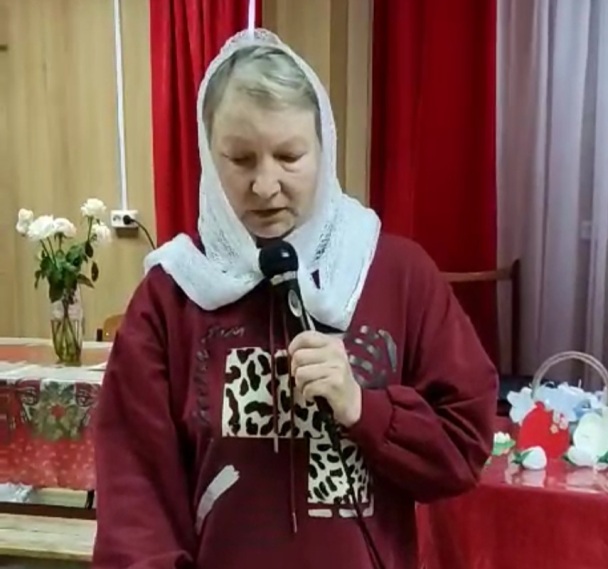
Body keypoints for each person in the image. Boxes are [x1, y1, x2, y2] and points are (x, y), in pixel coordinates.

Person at [92, 29, 497, 569]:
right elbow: (135, 497)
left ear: (324, 150)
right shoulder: (172, 295)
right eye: (240, 159)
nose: (265, 186)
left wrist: (364, 408)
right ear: (209, 159)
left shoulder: (397, 274)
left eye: (289, 156)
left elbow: (464, 445)